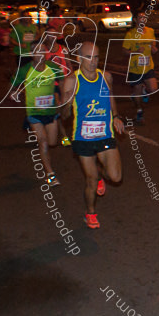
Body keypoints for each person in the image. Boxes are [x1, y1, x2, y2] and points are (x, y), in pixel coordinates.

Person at [61, 41, 125, 229]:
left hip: (105, 135)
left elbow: (110, 96)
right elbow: (64, 115)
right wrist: (66, 102)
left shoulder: (106, 77)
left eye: (96, 57)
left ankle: (101, 178)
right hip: (83, 138)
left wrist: (115, 116)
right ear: (80, 58)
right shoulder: (72, 81)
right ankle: (90, 213)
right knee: (90, 179)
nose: (92, 61)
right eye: (88, 57)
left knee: (116, 177)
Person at [12, 45, 64, 186]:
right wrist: (16, 93)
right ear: (31, 54)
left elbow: (63, 81)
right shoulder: (24, 70)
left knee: (52, 142)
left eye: (43, 51)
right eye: (37, 51)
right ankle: (50, 174)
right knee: (43, 142)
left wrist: (60, 96)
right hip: (34, 113)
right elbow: (14, 86)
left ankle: (48, 168)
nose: (40, 54)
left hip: (50, 112)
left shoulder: (52, 67)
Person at [122, 11, 159, 122]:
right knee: (137, 93)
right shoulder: (130, 34)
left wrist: (153, 47)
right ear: (135, 20)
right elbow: (124, 51)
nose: (143, 19)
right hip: (135, 68)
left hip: (148, 66)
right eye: (140, 17)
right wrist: (136, 51)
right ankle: (139, 111)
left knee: (153, 88)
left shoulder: (150, 31)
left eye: (144, 17)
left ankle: (145, 91)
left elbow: (153, 42)